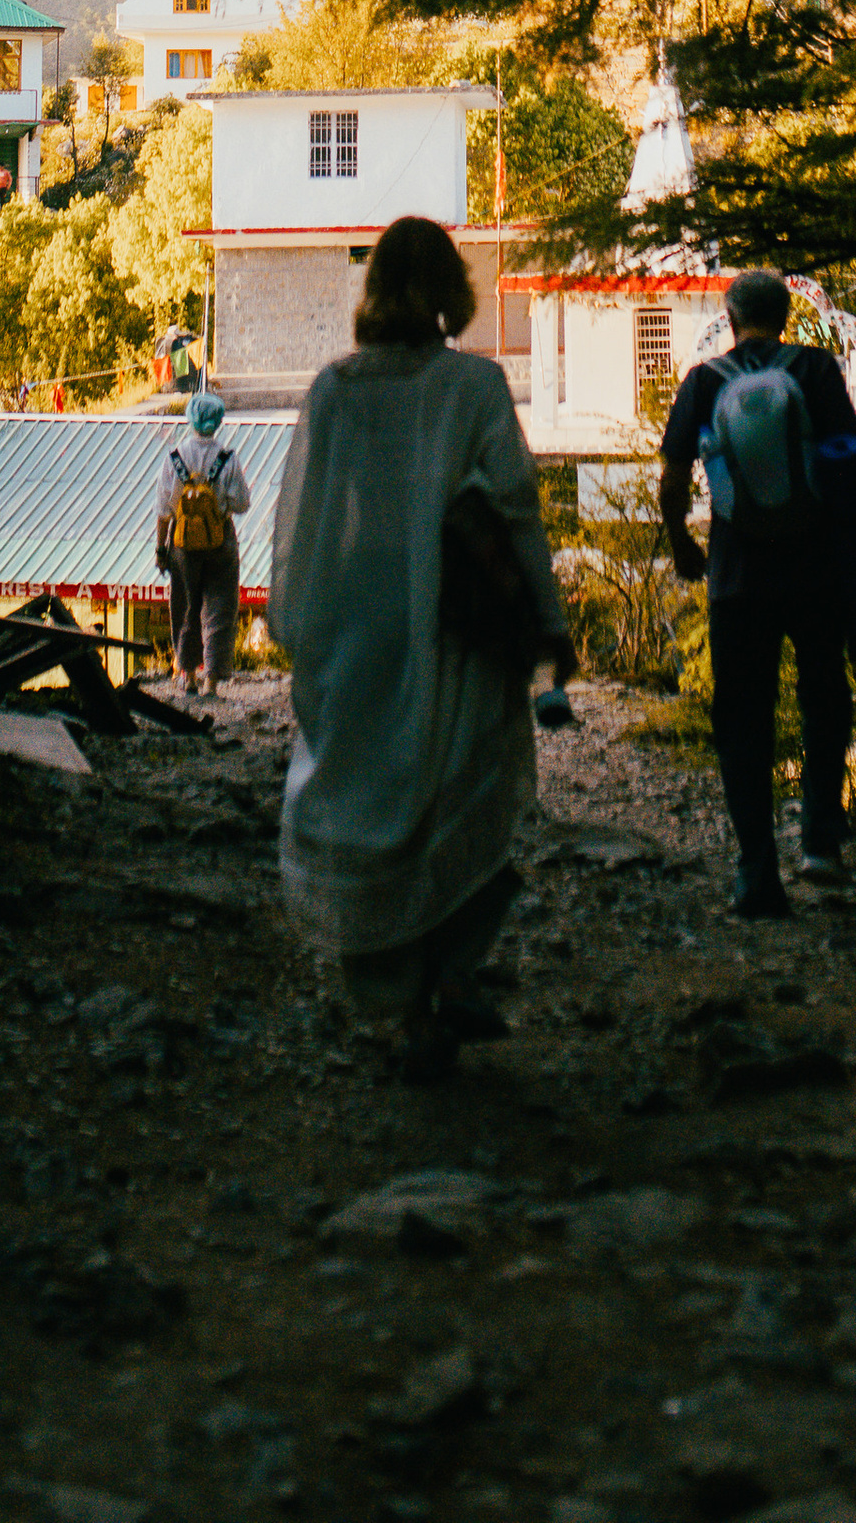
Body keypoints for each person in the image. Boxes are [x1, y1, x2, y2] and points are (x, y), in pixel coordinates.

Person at [270, 212, 574, 1079]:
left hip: (361, 620)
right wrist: (545, 622)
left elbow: (307, 524)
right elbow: (515, 512)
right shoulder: (474, 390)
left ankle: (400, 1007)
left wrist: (303, 626)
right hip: (455, 624)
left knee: (370, 797)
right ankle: (449, 977)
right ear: (454, 290)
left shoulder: (336, 391)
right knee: (456, 793)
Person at [659, 268, 856, 920]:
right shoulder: (815, 370)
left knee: (743, 719)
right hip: (815, 568)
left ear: (730, 317)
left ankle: (755, 873)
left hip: (738, 575)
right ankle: (821, 840)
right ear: (786, 316)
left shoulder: (705, 381)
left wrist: (683, 542)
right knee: (824, 695)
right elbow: (850, 455)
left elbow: (675, 473)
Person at [156, 389, 252, 695]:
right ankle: (212, 679)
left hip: (183, 543)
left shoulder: (174, 458)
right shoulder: (228, 458)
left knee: (185, 606)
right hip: (220, 539)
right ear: (218, 422)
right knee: (220, 607)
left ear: (190, 419)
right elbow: (242, 503)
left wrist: (161, 549)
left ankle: (188, 676)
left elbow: (163, 511)